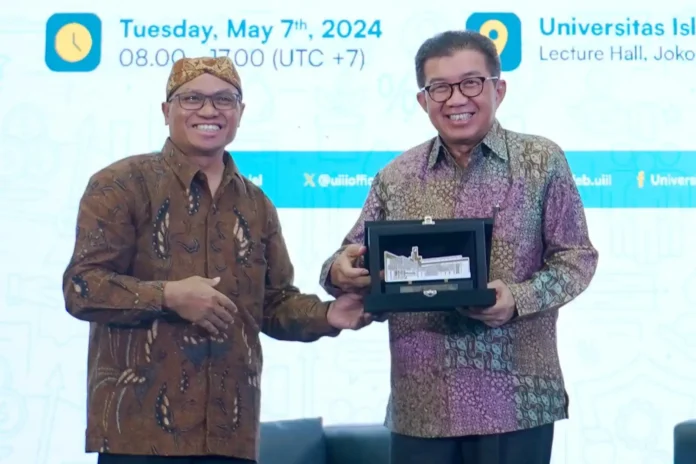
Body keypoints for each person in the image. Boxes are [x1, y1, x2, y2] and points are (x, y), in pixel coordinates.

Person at [62, 56, 369, 464]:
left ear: (240, 112)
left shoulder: (257, 204)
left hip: (230, 434)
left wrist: (330, 315)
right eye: (192, 98)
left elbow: (272, 303)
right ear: (166, 110)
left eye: (224, 99)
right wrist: (169, 296)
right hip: (137, 434)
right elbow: (82, 287)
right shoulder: (120, 185)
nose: (209, 110)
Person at [319, 30, 599, 464]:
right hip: (423, 402)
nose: (456, 99)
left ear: (498, 90)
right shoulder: (396, 177)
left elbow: (576, 258)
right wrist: (340, 270)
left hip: (516, 399)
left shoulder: (541, 162)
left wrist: (518, 299)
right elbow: (348, 258)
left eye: (471, 83)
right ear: (423, 100)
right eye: (440, 88)